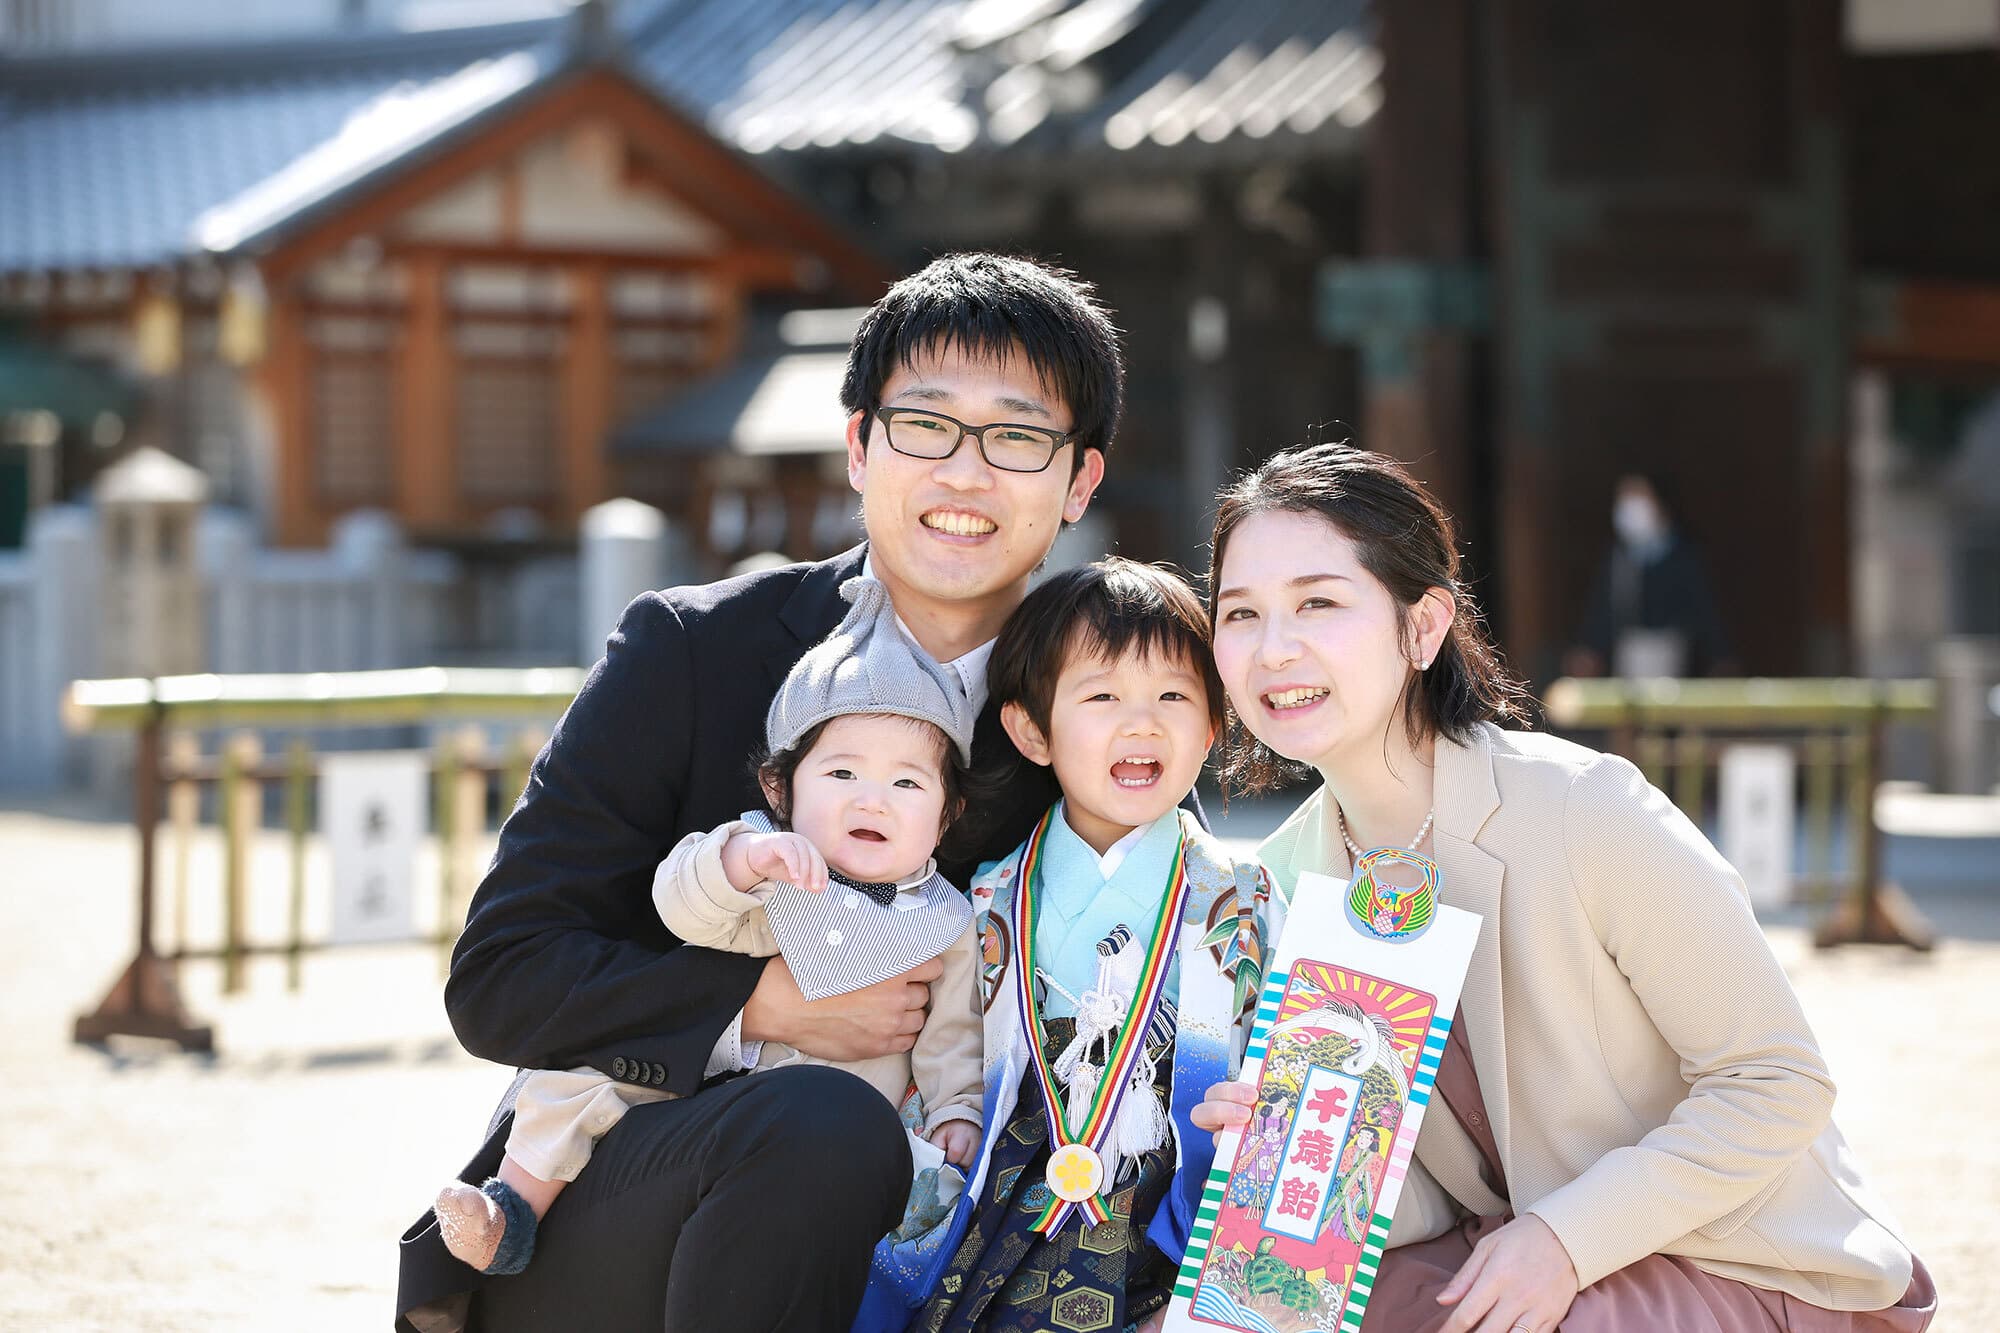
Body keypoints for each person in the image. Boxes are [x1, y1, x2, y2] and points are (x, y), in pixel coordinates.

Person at [395, 251, 1123, 1333]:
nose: (965, 476)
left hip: (945, 1225)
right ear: (857, 447)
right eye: (924, 424)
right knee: (822, 1126)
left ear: (1077, 483)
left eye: (1015, 436)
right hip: (632, 1204)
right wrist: (756, 1006)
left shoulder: (1097, 708)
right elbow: (502, 975)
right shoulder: (693, 651)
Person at [1193, 442, 1934, 1333]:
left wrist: (1565, 1238)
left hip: (1733, 1253)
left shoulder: (1583, 808)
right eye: (1241, 613)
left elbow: (1776, 1081)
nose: (1275, 649)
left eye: (1318, 601)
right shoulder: (1281, 874)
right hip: (1505, 1250)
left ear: (1423, 628)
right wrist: (1303, 1147)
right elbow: (1434, 1195)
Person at [431, 576, 986, 1277]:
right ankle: (511, 1210)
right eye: (842, 772)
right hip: (698, 1088)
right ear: (781, 789)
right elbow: (681, 905)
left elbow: (953, 1032)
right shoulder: (768, 853)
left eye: (908, 784)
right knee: (576, 1084)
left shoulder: (943, 917)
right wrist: (736, 864)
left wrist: (956, 1109)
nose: (873, 799)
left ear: (947, 814)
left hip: (845, 1129)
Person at [865, 559, 1281, 1333]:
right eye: (1101, 696)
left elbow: (1283, 1065)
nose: (1142, 723)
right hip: (1006, 1194)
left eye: (1173, 695)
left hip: (1176, 1202)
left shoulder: (1247, 896)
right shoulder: (988, 900)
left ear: (1214, 724)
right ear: (1031, 729)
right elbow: (944, 1058)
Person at [1565, 474, 1735, 679]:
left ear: (1659, 503)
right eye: (1624, 499)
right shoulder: (1617, 559)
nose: (1631, 509)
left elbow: (1705, 613)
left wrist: (1719, 658)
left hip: (1676, 663)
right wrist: (1589, 649)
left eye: (1639, 498)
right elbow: (1602, 613)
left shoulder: (1685, 557)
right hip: (1628, 664)